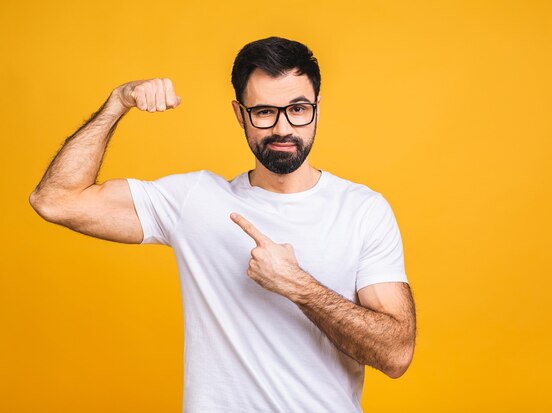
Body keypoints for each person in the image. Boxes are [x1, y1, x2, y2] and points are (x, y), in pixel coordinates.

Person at [29, 36, 416, 413]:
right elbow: (55, 200)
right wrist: (117, 103)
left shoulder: (363, 210)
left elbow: (396, 354)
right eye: (264, 111)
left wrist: (299, 286)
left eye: (298, 109)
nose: (283, 128)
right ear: (240, 114)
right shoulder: (194, 200)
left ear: (317, 107)